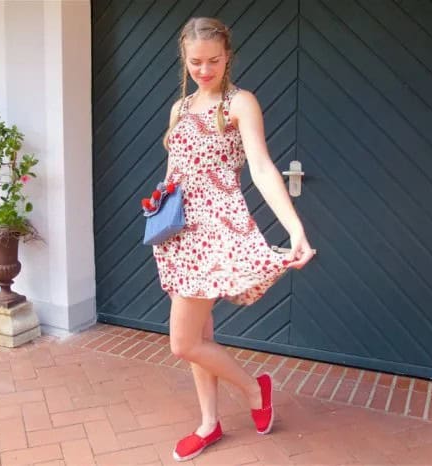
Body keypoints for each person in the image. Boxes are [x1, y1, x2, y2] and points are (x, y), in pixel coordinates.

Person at [151, 17, 315, 462]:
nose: (204, 70)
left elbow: (260, 168)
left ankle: (254, 390)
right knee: (200, 336)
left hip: (218, 232)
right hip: (180, 234)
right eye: (195, 62)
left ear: (228, 57)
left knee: (183, 342)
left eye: (214, 61)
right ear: (184, 60)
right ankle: (209, 423)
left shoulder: (240, 103)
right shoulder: (179, 109)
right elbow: (174, 172)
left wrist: (294, 228)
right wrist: (159, 205)